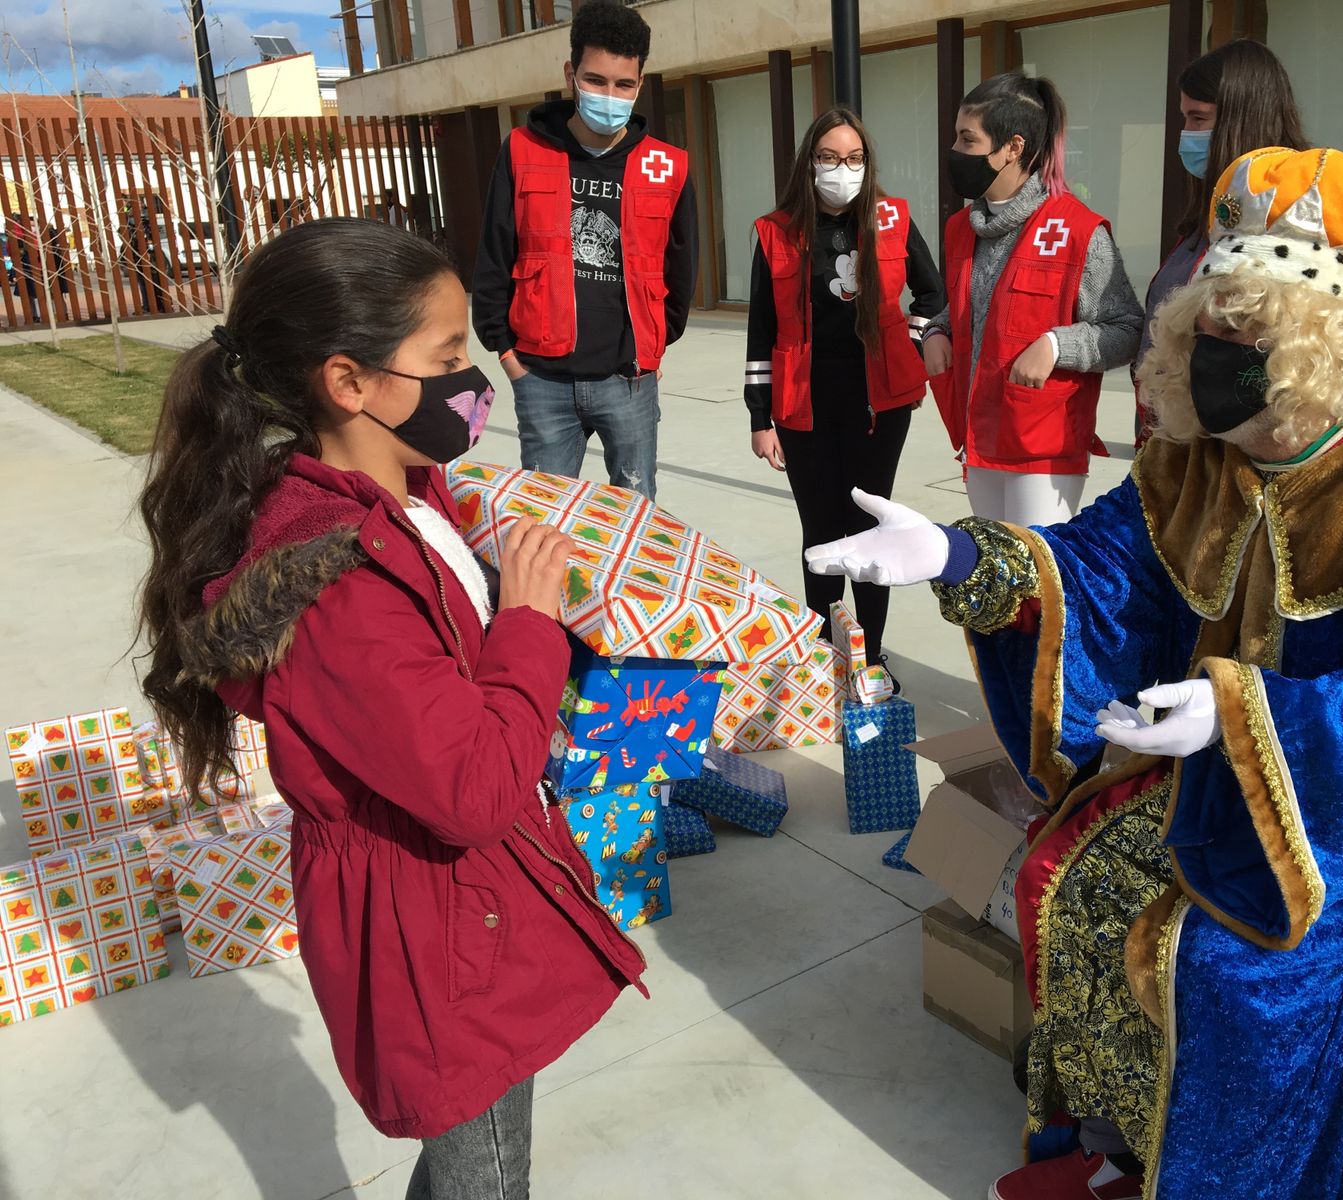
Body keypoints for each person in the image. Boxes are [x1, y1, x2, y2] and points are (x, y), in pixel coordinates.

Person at [806, 148, 1343, 1200]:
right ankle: (1138, 1137)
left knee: (1225, 967)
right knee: (1068, 873)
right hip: (1213, 764)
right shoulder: (1196, 460)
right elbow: (1095, 567)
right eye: (1207, 330)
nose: (1214, 355)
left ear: (1322, 350)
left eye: (1247, 332)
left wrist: (1244, 712)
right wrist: (959, 558)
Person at [137, 218, 647, 1200]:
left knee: (470, 1155)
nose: (472, 381)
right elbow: (472, 793)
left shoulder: (408, 493)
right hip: (437, 935)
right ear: (349, 383)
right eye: (448, 357)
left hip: (465, 909)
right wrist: (531, 624)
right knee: (486, 1172)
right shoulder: (342, 579)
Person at [744, 107, 944, 675]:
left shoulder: (893, 218)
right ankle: (829, 657)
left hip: (878, 406)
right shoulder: (777, 230)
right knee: (822, 530)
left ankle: (872, 655)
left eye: (854, 159)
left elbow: (934, 296)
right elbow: (761, 328)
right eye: (830, 158)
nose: (842, 169)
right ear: (809, 163)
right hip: (803, 405)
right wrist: (760, 418)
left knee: (871, 526)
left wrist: (903, 339)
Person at [472, 0, 697, 502]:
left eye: (623, 85)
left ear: (639, 84)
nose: (609, 95)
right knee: (544, 520)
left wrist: (655, 345)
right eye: (595, 80)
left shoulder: (668, 165)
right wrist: (507, 354)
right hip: (542, 380)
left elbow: (680, 269)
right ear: (571, 74)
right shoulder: (522, 151)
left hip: (629, 382)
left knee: (636, 515)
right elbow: (494, 255)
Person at [919, 71, 1142, 529]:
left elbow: (1125, 328)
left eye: (968, 140)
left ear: (1012, 148)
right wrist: (937, 330)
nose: (956, 153)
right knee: (996, 580)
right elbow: (969, 308)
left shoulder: (1079, 230)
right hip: (978, 437)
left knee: (1036, 589)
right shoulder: (961, 229)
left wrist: (1057, 345)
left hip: (1042, 445)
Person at [1133, 39, 1310, 443]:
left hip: (1232, 450)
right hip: (1171, 442)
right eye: (1185, 118)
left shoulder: (1294, 217)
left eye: (1198, 119)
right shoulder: (1208, 216)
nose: (1186, 134)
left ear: (1240, 119)